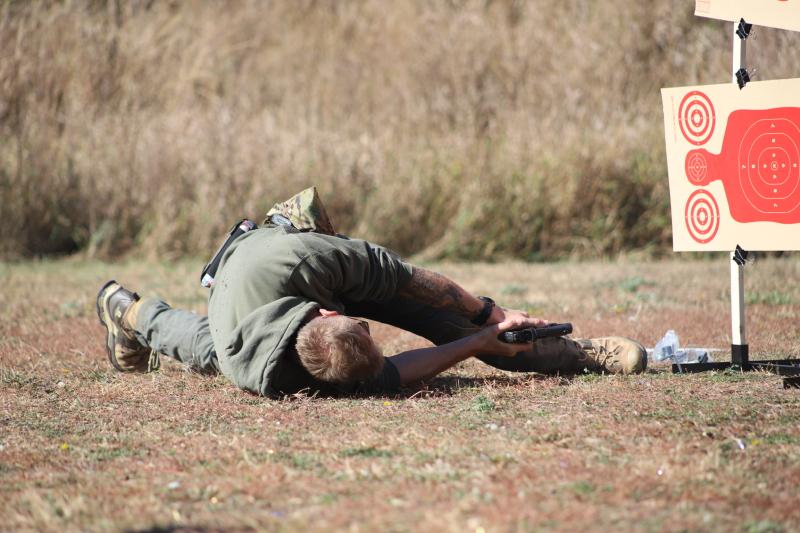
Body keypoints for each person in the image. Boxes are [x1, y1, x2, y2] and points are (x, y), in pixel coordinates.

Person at [96, 188, 646, 397]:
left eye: (360, 327)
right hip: (230, 295)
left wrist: (488, 314)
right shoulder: (270, 374)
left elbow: (406, 278)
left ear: (328, 312)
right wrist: (476, 344)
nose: (366, 323)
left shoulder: (320, 260)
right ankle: (131, 312)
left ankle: (129, 311)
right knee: (210, 350)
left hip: (273, 253)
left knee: (441, 312)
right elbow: (398, 373)